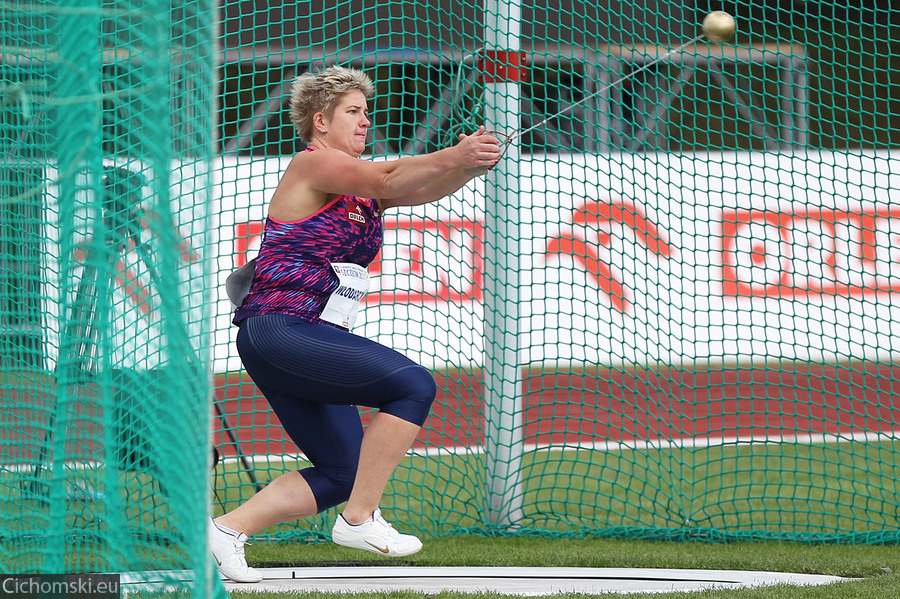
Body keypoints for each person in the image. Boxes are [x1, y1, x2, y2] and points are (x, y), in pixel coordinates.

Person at [209, 65, 502, 583]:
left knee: (344, 471)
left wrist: (468, 166)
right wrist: (455, 154)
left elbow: (418, 188)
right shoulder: (314, 163)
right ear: (321, 121)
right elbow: (389, 177)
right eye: (353, 111)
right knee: (413, 386)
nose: (366, 121)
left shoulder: (361, 192)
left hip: (296, 338)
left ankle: (226, 531)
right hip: (281, 330)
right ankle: (359, 519)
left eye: (367, 111)